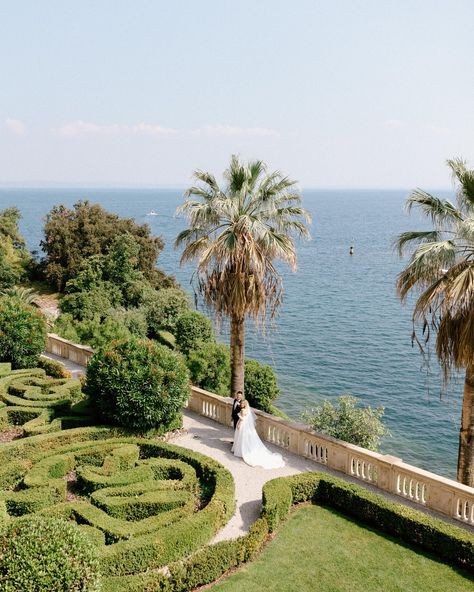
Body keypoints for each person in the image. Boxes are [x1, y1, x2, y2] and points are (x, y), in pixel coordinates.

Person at [231, 400, 285, 469]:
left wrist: (238, 426)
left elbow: (241, 419)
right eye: (240, 403)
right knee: (244, 438)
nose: (240, 404)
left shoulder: (243, 410)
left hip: (242, 425)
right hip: (246, 426)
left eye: (241, 403)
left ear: (244, 404)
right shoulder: (247, 410)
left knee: (241, 437)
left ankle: (240, 451)